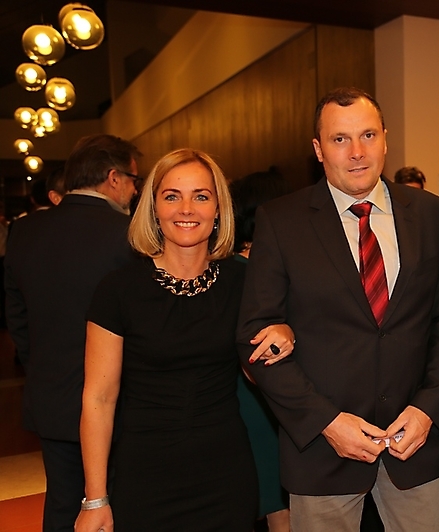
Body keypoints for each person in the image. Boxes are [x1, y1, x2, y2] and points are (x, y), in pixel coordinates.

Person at [237, 87, 439, 532]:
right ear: (319, 149)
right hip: (322, 451)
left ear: (385, 139)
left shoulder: (430, 214)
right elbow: (255, 340)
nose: (357, 152)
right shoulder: (281, 221)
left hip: (412, 446)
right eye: (340, 139)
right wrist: (326, 423)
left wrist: (428, 409)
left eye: (368, 135)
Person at [75, 149, 286, 531]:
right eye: (172, 196)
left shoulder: (244, 282)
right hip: (145, 474)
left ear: (218, 209)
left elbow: (259, 375)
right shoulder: (118, 290)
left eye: (201, 196)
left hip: (225, 473)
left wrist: (283, 334)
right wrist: (95, 498)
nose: (186, 209)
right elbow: (99, 399)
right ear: (154, 208)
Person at [4, 134, 140, 532]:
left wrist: (41, 368)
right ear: (114, 178)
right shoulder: (129, 235)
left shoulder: (25, 231)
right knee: (119, 504)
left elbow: (17, 318)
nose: (135, 190)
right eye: (133, 180)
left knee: (64, 503)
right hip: (120, 402)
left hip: (51, 396)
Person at [230, 169, 291, 532]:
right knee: (277, 501)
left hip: (241, 396)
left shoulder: (229, 268)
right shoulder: (257, 272)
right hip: (264, 394)